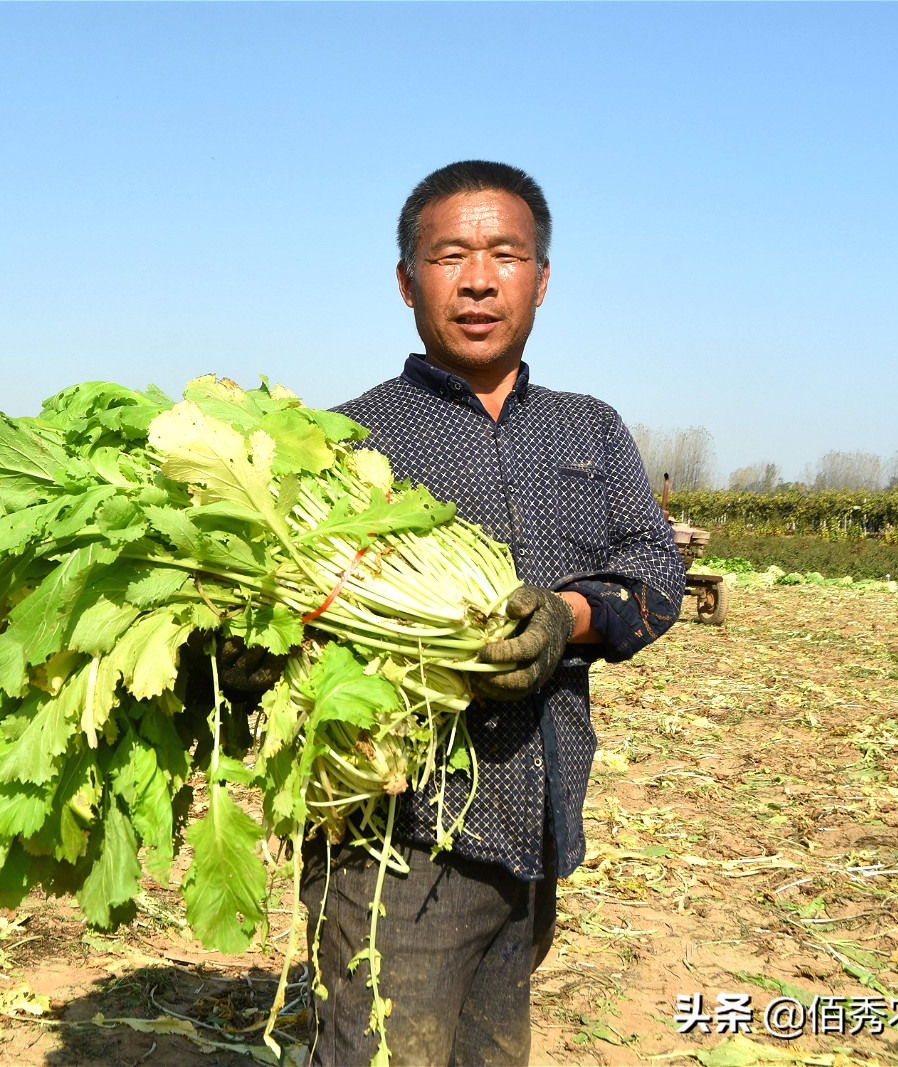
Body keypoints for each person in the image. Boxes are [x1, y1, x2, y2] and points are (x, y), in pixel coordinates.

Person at [295, 161, 688, 1066]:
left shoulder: (589, 429)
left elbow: (653, 573)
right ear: (407, 280)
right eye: (450, 256)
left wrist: (568, 616)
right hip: (399, 840)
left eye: (506, 254)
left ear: (541, 278)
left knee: (491, 1050)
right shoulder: (345, 441)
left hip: (540, 820)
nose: (479, 278)